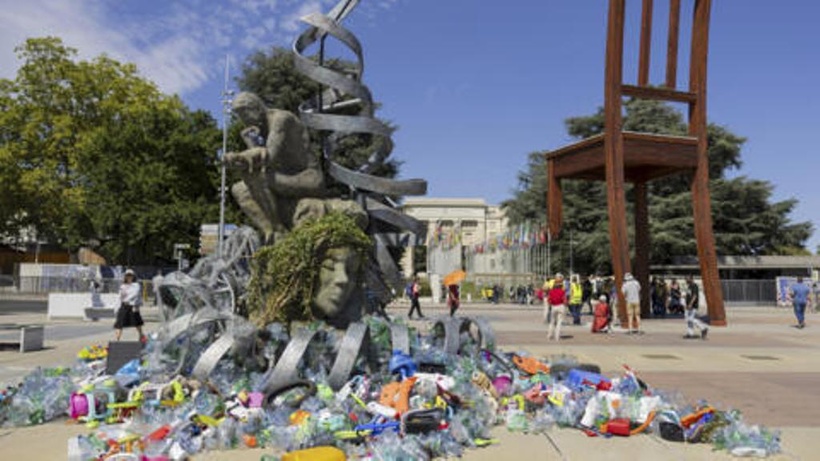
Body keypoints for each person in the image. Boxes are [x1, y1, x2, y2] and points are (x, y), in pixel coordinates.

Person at [114, 269, 146, 342]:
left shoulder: (136, 285)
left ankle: (141, 335)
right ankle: (117, 340)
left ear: (133, 276)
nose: (129, 277)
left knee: (137, 322)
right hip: (124, 306)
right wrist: (116, 307)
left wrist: (126, 298)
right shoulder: (123, 286)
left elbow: (134, 294)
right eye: (127, 275)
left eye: (130, 275)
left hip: (132, 306)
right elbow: (120, 297)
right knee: (119, 323)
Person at [546, 273, 567, 341]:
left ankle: (549, 335)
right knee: (559, 322)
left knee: (552, 321)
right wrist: (565, 305)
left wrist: (550, 305)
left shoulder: (551, 292)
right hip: (561, 306)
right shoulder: (562, 292)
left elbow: (548, 300)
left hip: (553, 306)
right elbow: (564, 300)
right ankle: (557, 336)